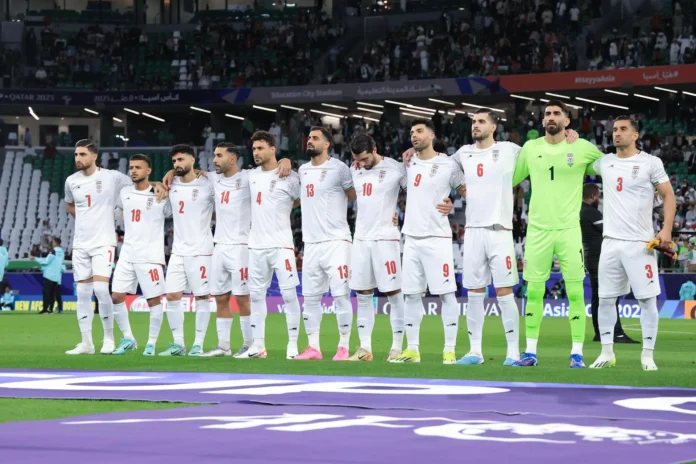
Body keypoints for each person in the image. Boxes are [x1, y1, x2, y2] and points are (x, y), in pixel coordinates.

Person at [511, 100, 604, 368]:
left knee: (575, 292)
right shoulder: (531, 148)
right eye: (547, 114)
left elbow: (608, 167)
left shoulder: (581, 147)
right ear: (542, 121)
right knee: (534, 291)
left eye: (556, 114)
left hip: (569, 230)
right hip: (538, 230)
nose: (551, 117)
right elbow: (510, 179)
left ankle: (577, 354)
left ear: (567, 121)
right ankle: (530, 352)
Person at [348, 134, 447, 362]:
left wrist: (445, 201)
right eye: (357, 159)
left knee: (393, 293)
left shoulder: (396, 169)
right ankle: (364, 348)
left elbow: (420, 191)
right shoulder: (354, 169)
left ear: (374, 149)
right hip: (361, 239)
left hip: (386, 239)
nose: (361, 163)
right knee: (363, 294)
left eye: (364, 158)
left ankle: (396, 347)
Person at [589, 116, 675, 371]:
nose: (617, 133)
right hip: (610, 243)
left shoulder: (650, 162)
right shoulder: (604, 162)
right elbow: (579, 157)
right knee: (605, 300)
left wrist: (666, 230)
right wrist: (571, 138)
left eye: (623, 129)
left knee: (647, 301)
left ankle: (647, 356)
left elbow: (668, 195)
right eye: (615, 129)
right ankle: (606, 353)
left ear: (635, 135)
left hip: (640, 244)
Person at [64, 139, 165, 355]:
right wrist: (85, 220)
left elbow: (139, 182)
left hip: (104, 241)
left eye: (82, 154)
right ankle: (86, 343)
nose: (78, 158)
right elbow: (69, 204)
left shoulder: (112, 177)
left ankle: (109, 339)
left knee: (102, 290)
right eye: (76, 154)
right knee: (82, 293)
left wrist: (158, 183)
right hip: (80, 243)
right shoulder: (71, 181)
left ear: (94, 156)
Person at [275, 126, 356, 361]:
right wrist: (285, 160)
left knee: (341, 295)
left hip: (337, 241)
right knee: (310, 298)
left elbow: (353, 194)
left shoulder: (339, 168)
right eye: (309, 137)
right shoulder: (302, 170)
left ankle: (343, 347)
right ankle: (313, 347)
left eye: (315, 138)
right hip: (311, 243)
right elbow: (298, 197)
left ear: (327, 144)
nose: (309, 141)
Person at [392, 118, 466, 364]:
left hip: (437, 237)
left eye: (419, 131)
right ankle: (412, 349)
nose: (414, 135)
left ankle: (449, 350)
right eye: (412, 132)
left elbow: (466, 190)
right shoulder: (407, 163)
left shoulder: (448, 164)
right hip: (411, 237)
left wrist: (452, 203)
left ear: (431, 135)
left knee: (446, 295)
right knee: (411, 295)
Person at [246, 131, 302, 359]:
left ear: (272, 149)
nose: (256, 152)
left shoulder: (289, 176)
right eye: (254, 149)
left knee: (289, 295)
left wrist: (287, 161)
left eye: (260, 148)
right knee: (256, 297)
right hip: (256, 246)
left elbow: (302, 199)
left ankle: (293, 345)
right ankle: (258, 345)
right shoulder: (250, 175)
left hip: (281, 245)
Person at [111, 154, 171, 356]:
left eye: (138, 167)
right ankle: (128, 338)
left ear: (148, 170)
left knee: (153, 300)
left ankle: (151, 343)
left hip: (150, 256)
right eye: (131, 167)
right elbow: (118, 211)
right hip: (127, 253)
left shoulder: (161, 195)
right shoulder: (124, 192)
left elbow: (175, 213)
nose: (133, 170)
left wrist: (159, 185)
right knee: (117, 296)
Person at [160, 144, 215, 357]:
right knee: (172, 296)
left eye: (181, 159)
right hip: (178, 251)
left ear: (193, 160)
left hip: (201, 251)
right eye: (174, 161)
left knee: (201, 297)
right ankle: (178, 344)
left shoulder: (208, 185)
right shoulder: (171, 184)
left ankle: (198, 344)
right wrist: (169, 174)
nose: (177, 164)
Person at [200, 143, 253, 358]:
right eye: (214, 155)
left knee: (242, 298)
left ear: (233, 159)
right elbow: (192, 173)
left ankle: (250, 345)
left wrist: (285, 161)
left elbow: (272, 171)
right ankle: (223, 346)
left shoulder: (248, 177)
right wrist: (170, 173)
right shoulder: (214, 178)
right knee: (220, 298)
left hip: (241, 246)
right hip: (219, 246)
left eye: (219, 155)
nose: (214, 159)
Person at [580, 183, 637, 343]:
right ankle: (615, 333)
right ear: (592, 196)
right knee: (610, 296)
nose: (599, 200)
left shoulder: (580, 211)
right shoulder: (590, 212)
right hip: (600, 259)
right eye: (598, 196)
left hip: (591, 258)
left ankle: (600, 332)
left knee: (598, 297)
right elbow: (610, 231)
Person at [32, 237, 65, 314]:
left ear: (55, 243)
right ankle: (50, 309)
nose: (52, 243)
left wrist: (35, 258)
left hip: (49, 276)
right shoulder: (62, 252)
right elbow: (57, 264)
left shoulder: (53, 251)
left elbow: (46, 262)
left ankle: (45, 309)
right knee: (52, 294)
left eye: (53, 242)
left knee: (46, 293)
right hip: (56, 276)